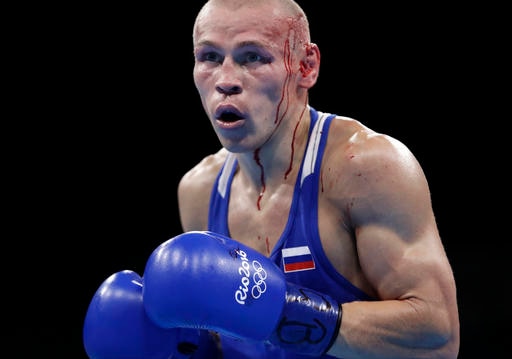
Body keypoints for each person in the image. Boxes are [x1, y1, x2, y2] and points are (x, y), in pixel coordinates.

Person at [83, 0, 460, 358]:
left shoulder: (362, 167)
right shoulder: (199, 189)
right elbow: (234, 336)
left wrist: (280, 314)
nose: (226, 80)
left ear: (305, 67)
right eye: (209, 57)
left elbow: (438, 338)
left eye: (252, 57)